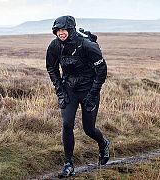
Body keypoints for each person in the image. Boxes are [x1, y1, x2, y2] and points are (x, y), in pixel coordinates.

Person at [46, 15, 111, 178]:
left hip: (88, 89)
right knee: (67, 124)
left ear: (71, 29)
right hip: (69, 88)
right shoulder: (54, 46)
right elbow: (51, 68)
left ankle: (103, 143)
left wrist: (93, 93)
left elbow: (102, 70)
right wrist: (60, 91)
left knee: (88, 129)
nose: (60, 33)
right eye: (57, 30)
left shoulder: (87, 45)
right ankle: (68, 164)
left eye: (63, 30)